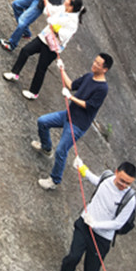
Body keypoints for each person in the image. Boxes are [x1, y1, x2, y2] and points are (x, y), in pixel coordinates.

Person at [48, 159, 136, 271]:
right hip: (84, 225)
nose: (124, 185)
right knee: (73, 257)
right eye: (122, 181)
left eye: (128, 183)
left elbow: (118, 224)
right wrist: (81, 167)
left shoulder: (129, 199)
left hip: (102, 237)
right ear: (116, 173)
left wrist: (96, 225)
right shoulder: (107, 177)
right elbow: (96, 180)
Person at [32, 53, 113, 189]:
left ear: (105, 69)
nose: (94, 64)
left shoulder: (102, 88)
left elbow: (89, 105)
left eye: (98, 64)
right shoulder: (88, 76)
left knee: (61, 151)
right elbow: (71, 85)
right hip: (68, 114)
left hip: (78, 124)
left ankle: (54, 180)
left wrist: (71, 98)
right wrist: (62, 69)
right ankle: (46, 148)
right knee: (42, 122)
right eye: (95, 61)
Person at [2, 0, 86, 99]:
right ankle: (15, 73)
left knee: (41, 68)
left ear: (71, 6)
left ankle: (34, 92)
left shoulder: (73, 22)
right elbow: (49, 10)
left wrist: (54, 25)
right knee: (25, 50)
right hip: (43, 38)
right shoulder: (62, 8)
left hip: (53, 47)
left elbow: (64, 36)